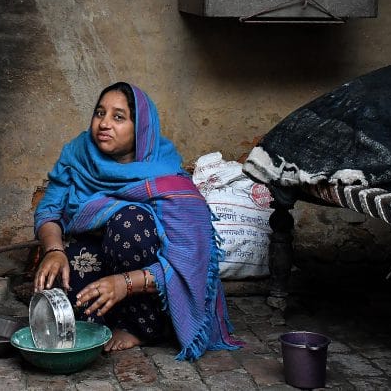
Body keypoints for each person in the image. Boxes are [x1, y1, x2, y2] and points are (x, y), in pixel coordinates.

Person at [33, 82, 241, 358]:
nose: (104, 124)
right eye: (99, 113)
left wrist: (125, 283)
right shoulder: (77, 154)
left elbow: (190, 263)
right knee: (69, 277)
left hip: (148, 281)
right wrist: (54, 250)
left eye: (118, 117)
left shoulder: (165, 174)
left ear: (140, 128)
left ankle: (142, 328)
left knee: (130, 221)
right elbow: (50, 208)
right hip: (99, 259)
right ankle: (102, 321)